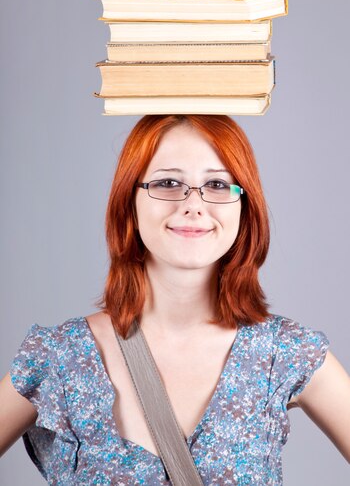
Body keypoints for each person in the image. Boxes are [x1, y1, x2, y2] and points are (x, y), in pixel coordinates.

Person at [0, 114, 349, 485]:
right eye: (168, 183)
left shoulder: (286, 352)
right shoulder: (59, 356)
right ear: (128, 201)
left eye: (217, 183)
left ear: (244, 206)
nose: (193, 205)